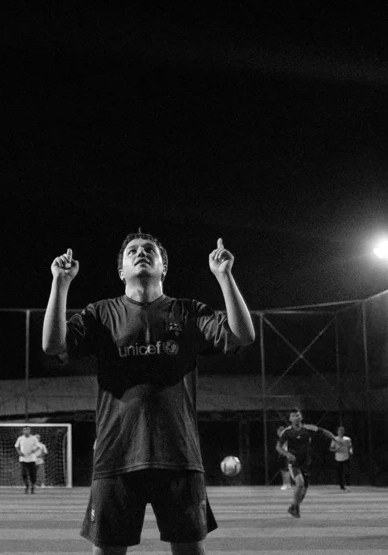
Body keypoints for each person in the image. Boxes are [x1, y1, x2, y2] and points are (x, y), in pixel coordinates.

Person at [43, 233, 256, 555]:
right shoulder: (101, 314)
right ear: (121, 270)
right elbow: (53, 345)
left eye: (149, 250)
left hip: (179, 452)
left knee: (189, 550)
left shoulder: (188, 312)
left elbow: (243, 335)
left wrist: (224, 277)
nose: (141, 253)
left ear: (163, 266)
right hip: (116, 453)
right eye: (132, 251)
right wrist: (60, 283)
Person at [275, 409, 335, 518]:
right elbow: (278, 447)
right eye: (293, 416)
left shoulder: (308, 428)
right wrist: (287, 454)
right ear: (290, 419)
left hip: (306, 464)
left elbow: (323, 431)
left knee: (302, 494)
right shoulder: (287, 432)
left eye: (298, 415)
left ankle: (293, 507)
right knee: (300, 484)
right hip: (294, 463)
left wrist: (334, 438)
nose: (296, 417)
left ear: (301, 417)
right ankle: (296, 509)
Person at [15, 425, 41, 494]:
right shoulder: (20, 438)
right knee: (23, 473)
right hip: (23, 459)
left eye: (27, 430)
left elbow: (38, 446)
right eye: (25, 430)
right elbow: (16, 446)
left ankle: (32, 487)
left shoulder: (34, 438)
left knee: (32, 474)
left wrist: (34, 451)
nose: (26, 431)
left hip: (32, 459)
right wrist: (19, 452)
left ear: (30, 431)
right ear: (23, 431)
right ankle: (27, 486)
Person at [329, 426, 353, 490]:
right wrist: (335, 450)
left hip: (346, 457)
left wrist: (351, 451)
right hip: (338, 458)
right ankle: (342, 486)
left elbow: (350, 446)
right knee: (340, 473)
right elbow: (331, 448)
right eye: (340, 430)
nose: (341, 432)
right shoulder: (335, 439)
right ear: (337, 432)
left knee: (347, 472)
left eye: (342, 430)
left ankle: (348, 484)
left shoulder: (347, 439)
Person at [276, 425, 293, 490]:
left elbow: (286, 446)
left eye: (278, 431)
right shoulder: (281, 437)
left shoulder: (285, 437)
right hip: (281, 455)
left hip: (285, 455)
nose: (277, 433)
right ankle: (285, 484)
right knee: (282, 470)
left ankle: (288, 484)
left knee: (286, 470)